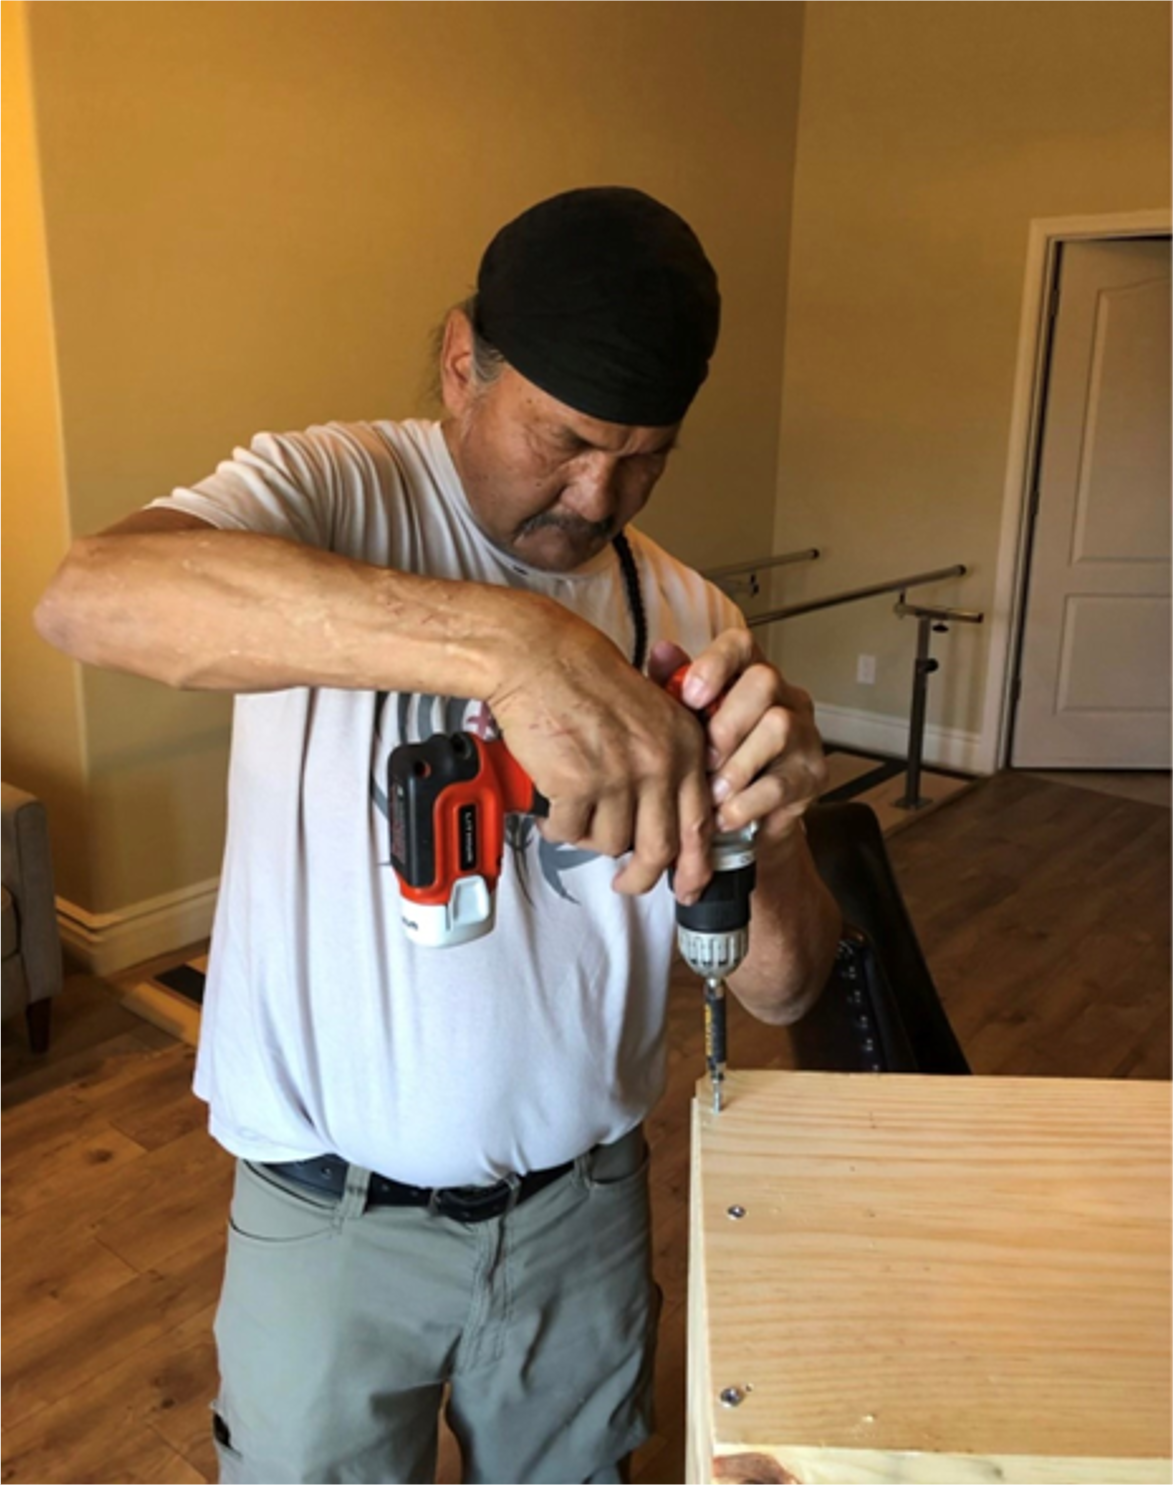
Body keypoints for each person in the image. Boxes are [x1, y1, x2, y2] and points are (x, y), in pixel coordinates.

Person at [35, 186, 841, 1485]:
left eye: (646, 454)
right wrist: (510, 638)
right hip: (329, 1223)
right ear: (465, 363)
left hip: (581, 1221)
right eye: (565, 438)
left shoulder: (690, 613)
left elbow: (785, 982)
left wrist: (779, 832)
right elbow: (90, 601)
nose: (597, 492)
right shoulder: (329, 489)